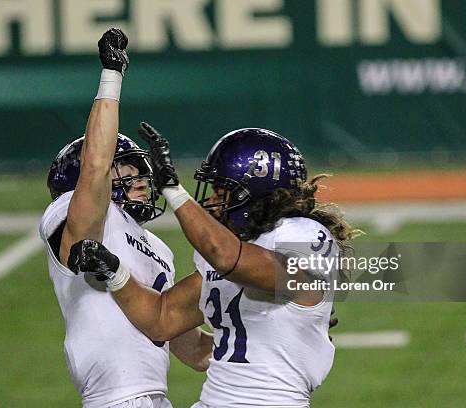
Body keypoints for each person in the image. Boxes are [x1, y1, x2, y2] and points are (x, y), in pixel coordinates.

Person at [70, 126, 359, 407]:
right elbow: (162, 319)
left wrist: (173, 190)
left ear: (254, 194)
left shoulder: (302, 236)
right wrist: (116, 272)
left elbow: (228, 258)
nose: (212, 201)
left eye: (223, 192)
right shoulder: (229, 252)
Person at [39, 28, 212, 408]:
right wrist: (111, 76)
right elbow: (96, 165)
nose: (140, 180)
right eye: (127, 172)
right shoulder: (76, 216)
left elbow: (192, 349)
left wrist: (264, 336)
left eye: (140, 171)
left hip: (155, 398)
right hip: (114, 399)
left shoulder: (158, 247)